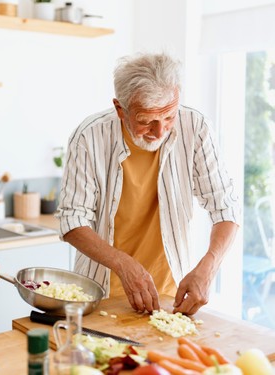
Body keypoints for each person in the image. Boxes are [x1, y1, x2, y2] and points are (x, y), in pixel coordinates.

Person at [56, 52, 240, 316]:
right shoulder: (88, 137)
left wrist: (208, 267)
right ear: (121, 109)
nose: (160, 132)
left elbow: (226, 208)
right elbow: (72, 221)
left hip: (171, 294)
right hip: (102, 294)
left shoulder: (196, 127)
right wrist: (122, 263)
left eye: (169, 117)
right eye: (146, 121)